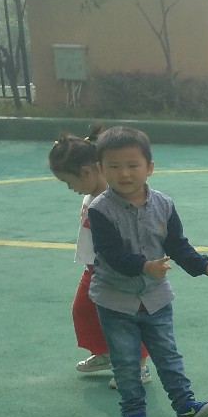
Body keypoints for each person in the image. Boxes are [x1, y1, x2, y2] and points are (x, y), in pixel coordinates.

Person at [86, 126, 208, 417]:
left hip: (156, 298)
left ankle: (185, 406)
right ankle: (134, 414)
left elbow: (178, 245)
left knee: (168, 355)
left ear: (149, 167)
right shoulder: (99, 209)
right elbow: (109, 253)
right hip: (115, 300)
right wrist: (145, 266)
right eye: (114, 166)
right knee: (126, 362)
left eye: (132, 165)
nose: (124, 173)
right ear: (101, 169)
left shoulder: (164, 204)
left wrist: (206, 266)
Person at [49, 128, 150, 388]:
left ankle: (138, 368)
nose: (70, 188)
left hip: (115, 271)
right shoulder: (92, 193)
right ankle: (107, 353)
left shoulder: (116, 199)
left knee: (123, 318)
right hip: (93, 267)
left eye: (69, 182)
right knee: (83, 310)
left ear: (87, 171)